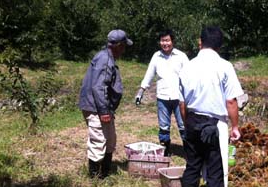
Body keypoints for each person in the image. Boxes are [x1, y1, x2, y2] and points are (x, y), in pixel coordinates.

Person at [178, 26, 244, 187]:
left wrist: (188, 123)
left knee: (193, 165)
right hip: (213, 123)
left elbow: (182, 104)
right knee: (215, 170)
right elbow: (231, 101)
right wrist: (235, 127)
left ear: (201, 42)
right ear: (219, 45)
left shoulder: (187, 66)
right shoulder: (224, 66)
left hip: (192, 120)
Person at [78, 29, 133, 178]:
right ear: (118, 45)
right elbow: (99, 86)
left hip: (103, 107)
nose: (124, 50)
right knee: (98, 140)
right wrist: (103, 111)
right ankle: (95, 177)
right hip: (97, 108)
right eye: (123, 46)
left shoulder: (106, 57)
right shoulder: (105, 59)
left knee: (110, 139)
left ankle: (106, 172)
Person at [135, 29, 189, 156]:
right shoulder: (156, 56)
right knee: (164, 126)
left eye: (167, 40)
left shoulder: (181, 56)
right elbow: (149, 74)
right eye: (163, 41)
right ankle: (165, 151)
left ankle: (189, 151)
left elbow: (190, 75)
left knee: (183, 125)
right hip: (163, 97)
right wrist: (141, 91)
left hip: (179, 98)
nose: (165, 43)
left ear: (172, 41)